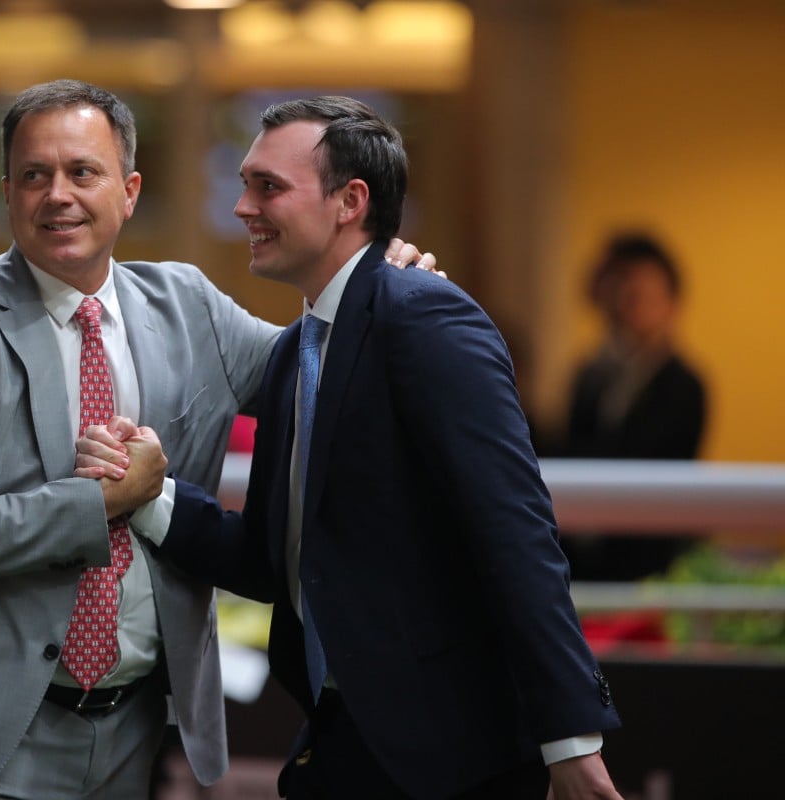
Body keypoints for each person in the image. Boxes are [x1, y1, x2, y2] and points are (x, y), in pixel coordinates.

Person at [0, 79, 435, 800]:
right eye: (35, 175)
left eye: (82, 172)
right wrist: (104, 502)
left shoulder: (188, 304)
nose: (57, 194)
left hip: (134, 731)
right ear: (7, 193)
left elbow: (321, 373)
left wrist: (385, 283)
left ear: (129, 190)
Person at [78, 96, 622, 799]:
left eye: (268, 187)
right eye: (246, 183)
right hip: (342, 740)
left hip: (455, 759)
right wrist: (150, 498)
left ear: (350, 201)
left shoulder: (427, 315)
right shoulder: (293, 355)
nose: (243, 207)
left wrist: (572, 738)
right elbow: (277, 560)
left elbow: (516, 535)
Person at [558, 232, 707, 580]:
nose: (628, 304)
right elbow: (571, 448)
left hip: (654, 559)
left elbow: (658, 462)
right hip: (587, 556)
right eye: (621, 291)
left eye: (642, 295)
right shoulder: (592, 375)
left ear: (671, 301)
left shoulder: (685, 384)